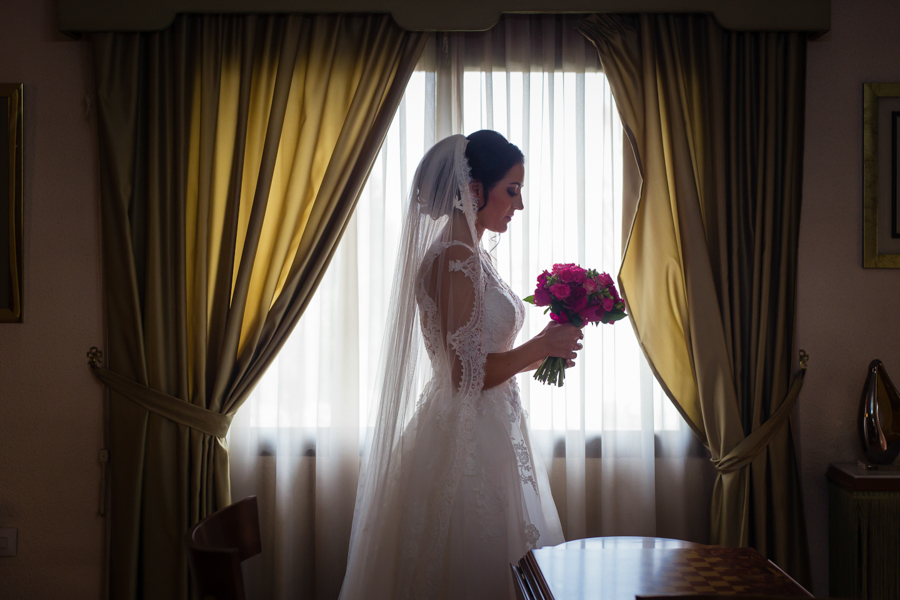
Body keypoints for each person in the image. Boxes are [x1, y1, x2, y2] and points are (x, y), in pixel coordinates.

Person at [338, 131, 583, 600]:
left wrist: (545, 351)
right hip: (465, 443)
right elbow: (462, 376)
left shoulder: (474, 257)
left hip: (492, 429)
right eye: (511, 190)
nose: (520, 204)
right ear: (474, 190)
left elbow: (484, 358)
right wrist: (538, 347)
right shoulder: (454, 259)